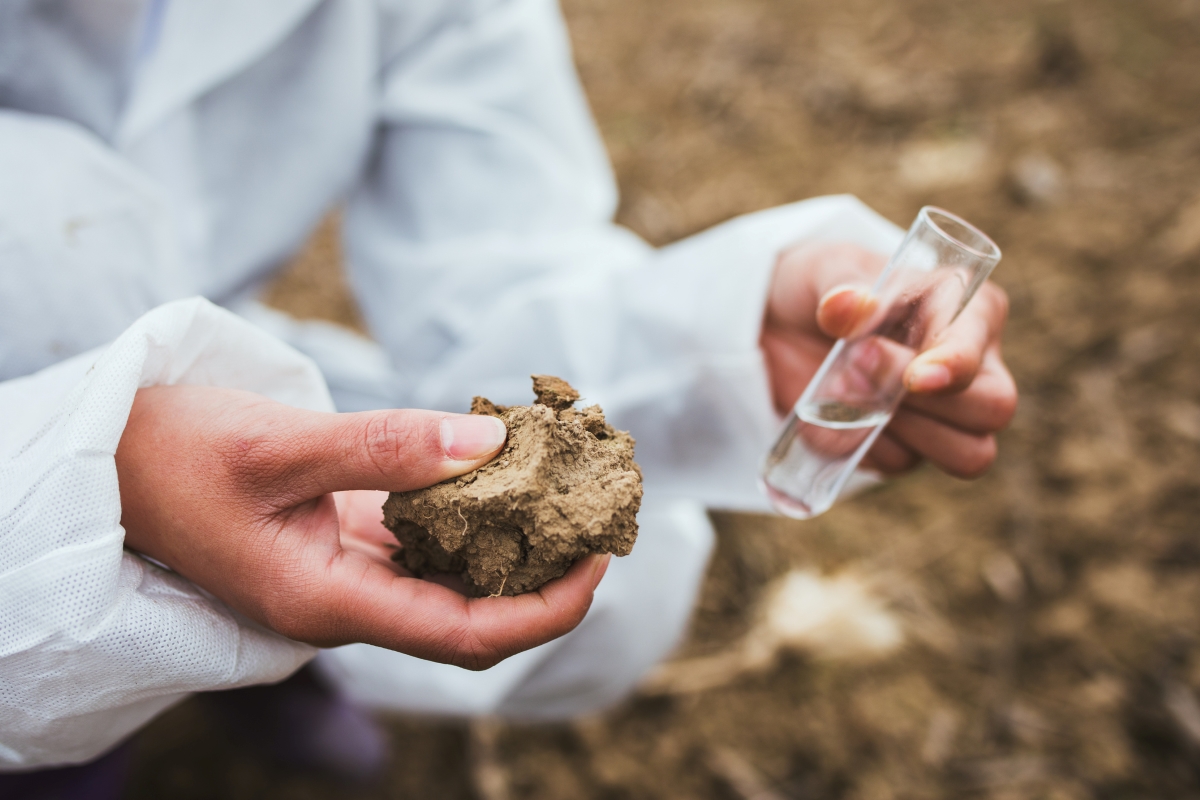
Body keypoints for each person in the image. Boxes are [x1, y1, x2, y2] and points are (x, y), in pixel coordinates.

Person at [0, 0, 1016, 788]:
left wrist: (729, 328)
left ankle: (264, 664)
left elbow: (498, 255)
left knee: (597, 558)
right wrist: (98, 472)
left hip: (206, 364)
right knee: (63, 698)